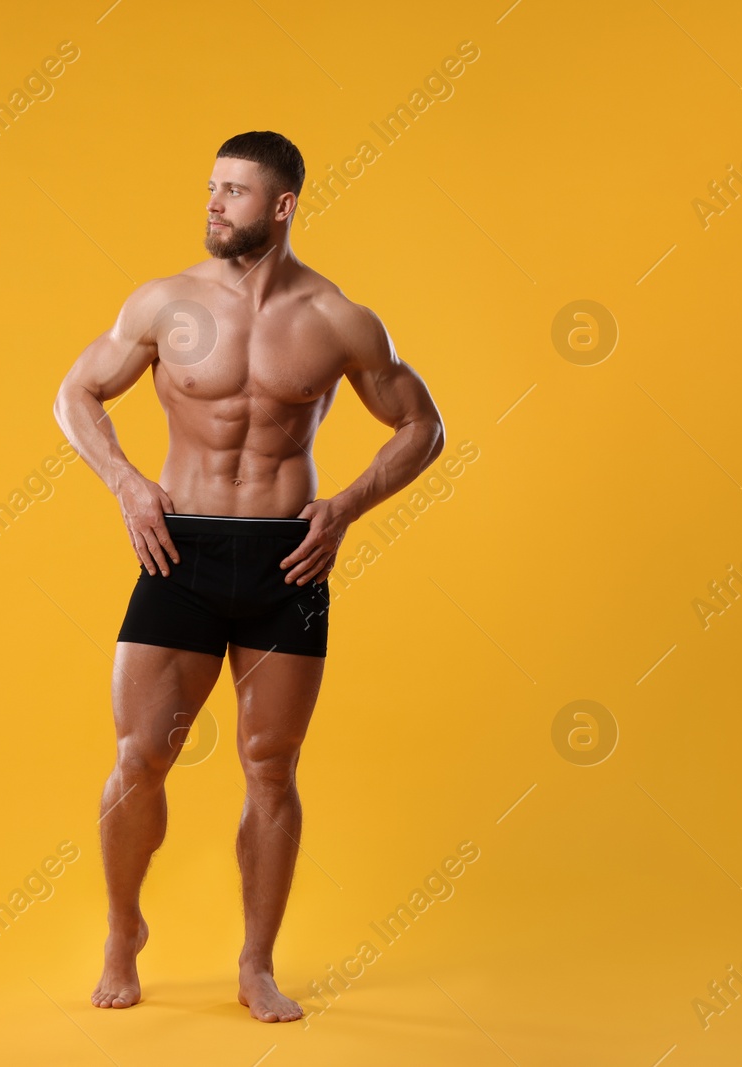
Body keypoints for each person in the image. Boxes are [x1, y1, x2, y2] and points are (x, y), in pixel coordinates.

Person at [51, 130, 446, 1022]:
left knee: (270, 765)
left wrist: (345, 506)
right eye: (211, 187)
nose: (214, 203)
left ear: (283, 206)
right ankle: (123, 928)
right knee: (141, 756)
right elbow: (74, 392)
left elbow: (422, 425)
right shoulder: (164, 304)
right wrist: (126, 485)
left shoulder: (339, 319)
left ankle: (256, 962)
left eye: (233, 191)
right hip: (178, 549)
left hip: (285, 561)